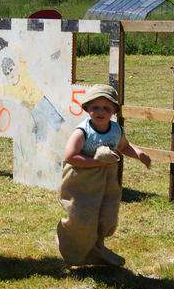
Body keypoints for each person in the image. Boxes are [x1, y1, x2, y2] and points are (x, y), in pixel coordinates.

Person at [56, 84, 151, 267]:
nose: (100, 112)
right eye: (95, 107)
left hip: (107, 181)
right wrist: (97, 162)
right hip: (82, 181)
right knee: (82, 218)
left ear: (114, 110)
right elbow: (70, 156)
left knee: (106, 217)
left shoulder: (116, 129)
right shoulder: (82, 132)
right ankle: (72, 247)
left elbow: (124, 146)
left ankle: (97, 247)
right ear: (87, 108)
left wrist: (139, 154)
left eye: (107, 108)